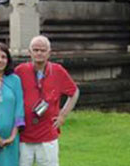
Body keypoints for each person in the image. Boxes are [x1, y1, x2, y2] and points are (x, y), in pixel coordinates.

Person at [16, 35, 80, 166]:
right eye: (35, 49)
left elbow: (74, 92)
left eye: (43, 50)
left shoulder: (57, 70)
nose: (39, 53)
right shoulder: (20, 71)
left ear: (49, 53)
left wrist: (63, 115)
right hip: (23, 135)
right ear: (29, 52)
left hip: (47, 135)